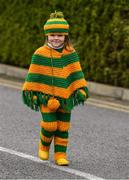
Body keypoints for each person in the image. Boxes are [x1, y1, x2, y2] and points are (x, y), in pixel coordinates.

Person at [22, 11, 89, 166]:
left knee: (63, 127)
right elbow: (33, 75)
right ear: (47, 36)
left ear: (65, 36)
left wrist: (80, 88)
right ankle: (44, 145)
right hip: (46, 97)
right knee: (50, 125)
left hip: (65, 97)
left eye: (59, 35)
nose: (56, 38)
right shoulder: (40, 53)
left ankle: (60, 154)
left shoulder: (71, 53)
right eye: (52, 35)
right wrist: (32, 92)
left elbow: (76, 72)